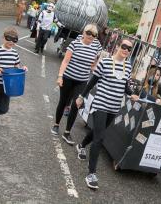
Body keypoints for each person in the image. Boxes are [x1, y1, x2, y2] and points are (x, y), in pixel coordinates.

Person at [75, 38, 139, 189]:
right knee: (100, 138)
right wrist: (81, 96)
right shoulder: (105, 62)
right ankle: (91, 174)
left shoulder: (127, 67)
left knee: (98, 132)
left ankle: (82, 145)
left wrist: (131, 94)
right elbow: (92, 81)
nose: (126, 50)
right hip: (100, 105)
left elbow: (124, 85)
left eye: (129, 49)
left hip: (113, 107)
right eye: (124, 47)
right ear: (118, 46)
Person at [50, 24, 102, 145]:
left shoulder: (96, 48)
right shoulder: (75, 44)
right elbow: (65, 61)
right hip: (68, 77)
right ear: (83, 33)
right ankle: (56, 124)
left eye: (93, 34)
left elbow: (93, 65)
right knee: (63, 102)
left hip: (82, 81)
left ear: (95, 37)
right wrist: (60, 76)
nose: (90, 36)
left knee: (76, 105)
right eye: (88, 33)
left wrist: (97, 71)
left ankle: (67, 132)